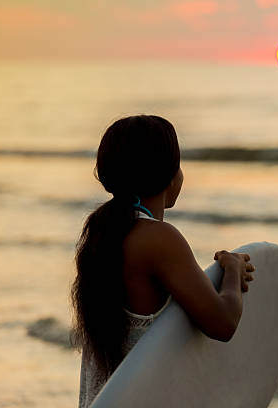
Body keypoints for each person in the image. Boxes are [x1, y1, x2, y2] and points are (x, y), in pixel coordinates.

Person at [71, 115, 255, 407]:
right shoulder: (158, 239)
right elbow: (223, 323)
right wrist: (233, 269)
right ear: (170, 175)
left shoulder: (100, 233)